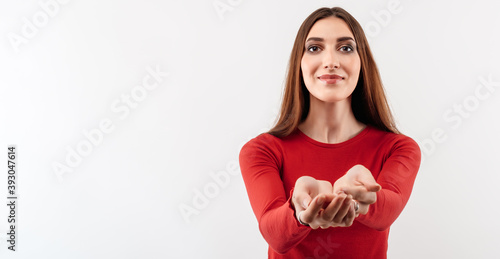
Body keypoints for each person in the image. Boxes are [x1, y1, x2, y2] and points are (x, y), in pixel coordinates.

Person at [238, 6, 421, 259]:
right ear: (299, 64)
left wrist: (361, 198)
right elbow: (275, 235)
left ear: (362, 62)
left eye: (345, 48)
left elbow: (388, 211)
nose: (331, 61)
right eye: (314, 48)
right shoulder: (262, 151)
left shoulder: (398, 148)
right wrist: (299, 211)